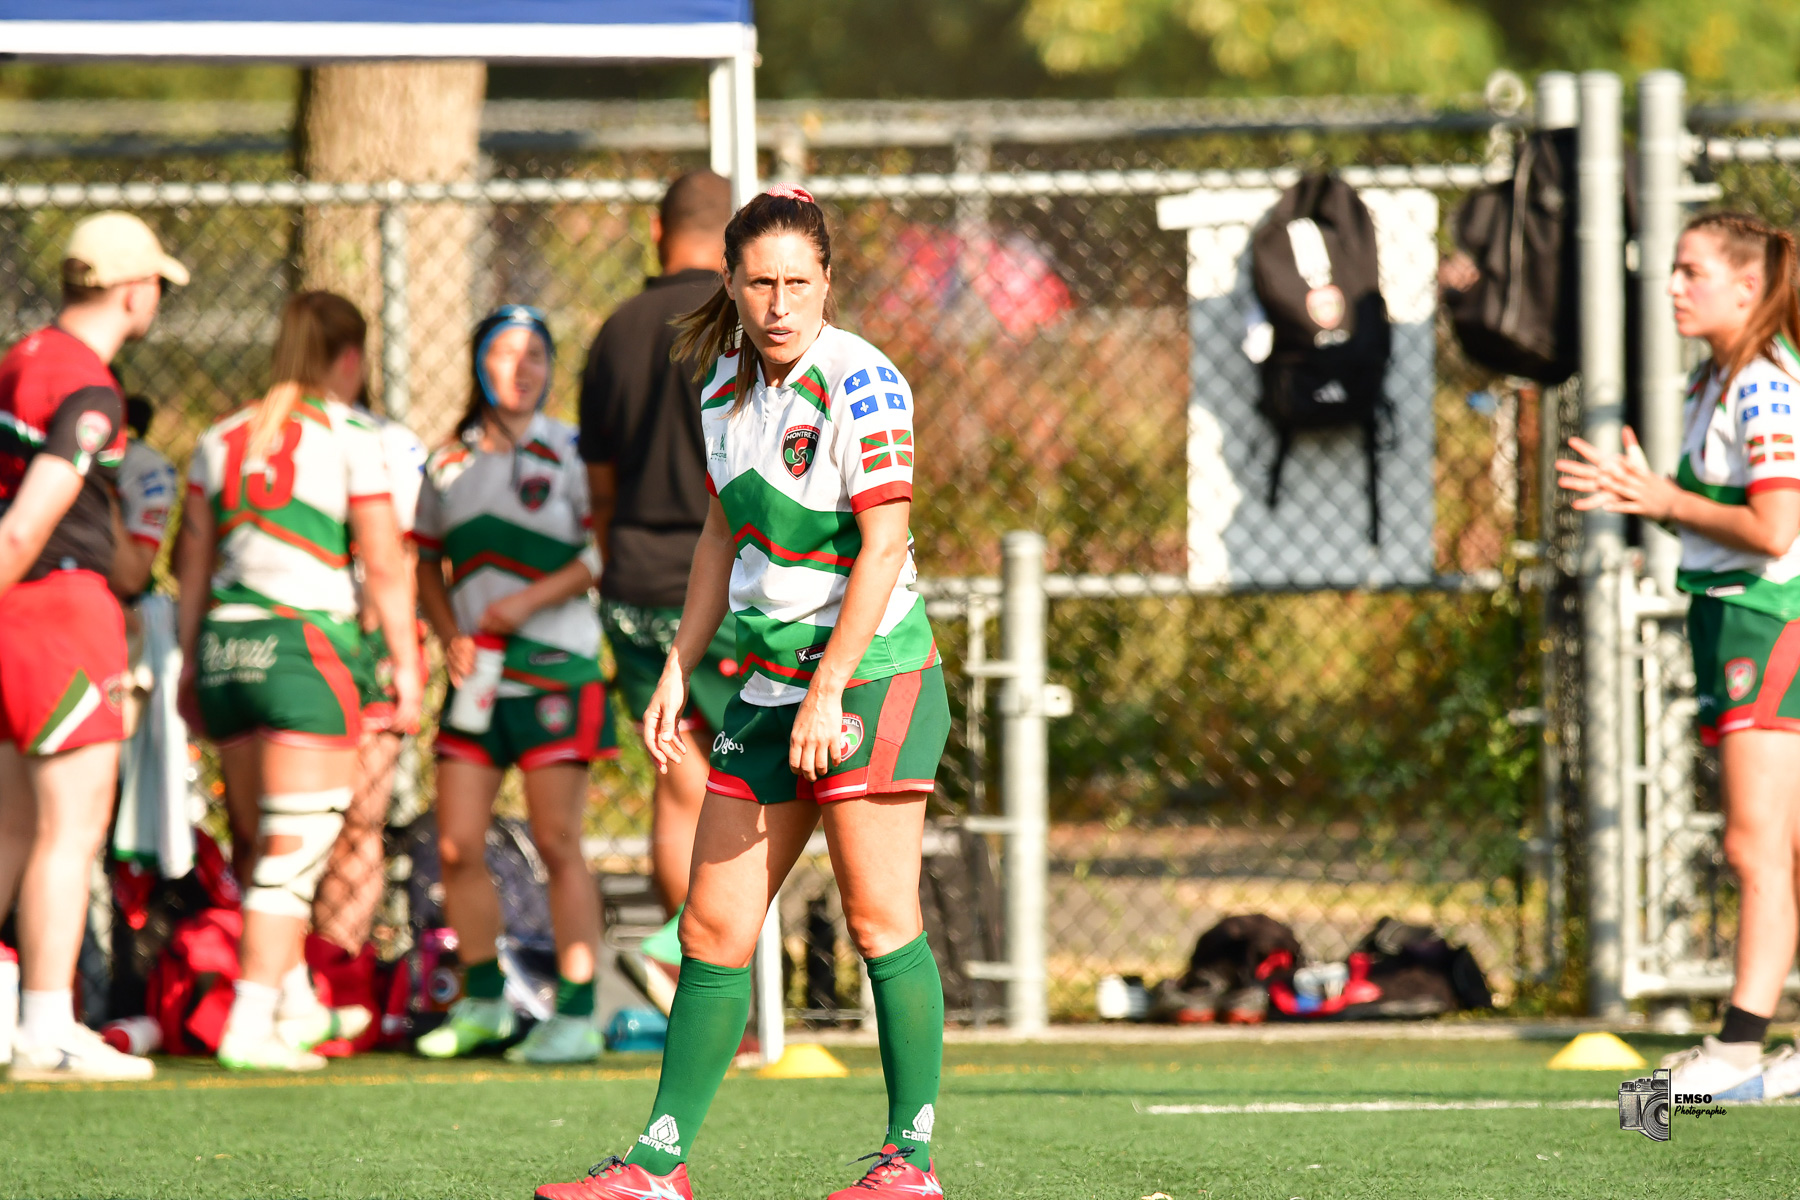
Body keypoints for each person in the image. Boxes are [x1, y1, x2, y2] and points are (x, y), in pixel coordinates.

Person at [534, 186, 950, 1200]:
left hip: (874, 675)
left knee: (876, 919)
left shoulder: (863, 382)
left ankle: (912, 1162)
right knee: (713, 928)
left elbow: (885, 543)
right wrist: (681, 661)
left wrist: (830, 688)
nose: (778, 302)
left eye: (798, 282)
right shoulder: (720, 385)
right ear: (730, 280)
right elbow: (721, 534)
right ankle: (658, 1165)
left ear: (826, 284)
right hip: (767, 683)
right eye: (760, 281)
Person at [1557, 210, 1800, 1102]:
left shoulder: (1765, 386)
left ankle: (1738, 1051)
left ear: (1748, 287)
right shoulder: (1716, 384)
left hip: (1770, 620)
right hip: (1741, 617)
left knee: (1754, 845)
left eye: (1691, 270)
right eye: (1671, 267)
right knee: (1781, 847)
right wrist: (1654, 499)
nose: (1672, 285)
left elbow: (1776, 527)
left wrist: (1660, 496)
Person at [175, 290, 421, 1071]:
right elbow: (383, 561)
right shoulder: (351, 434)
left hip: (223, 649)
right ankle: (250, 1020)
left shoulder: (217, 439)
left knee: (259, 845)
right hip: (300, 648)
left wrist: (189, 666)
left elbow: (192, 569)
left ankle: (293, 1001)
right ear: (348, 358)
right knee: (296, 845)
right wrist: (408, 669)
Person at [0, 212, 184, 1082]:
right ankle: (47, 1023)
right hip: (58, 611)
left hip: (17, 620)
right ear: (130, 289)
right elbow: (25, 527)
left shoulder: (20, 358)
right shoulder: (88, 385)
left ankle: (18, 1012)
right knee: (69, 832)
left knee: (10, 827)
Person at [413, 306, 615, 1064]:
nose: (522, 368)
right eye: (505, 353)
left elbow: (603, 554)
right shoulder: (446, 464)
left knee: (559, 842)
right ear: (478, 365)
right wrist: (450, 632)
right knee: (457, 844)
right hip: (480, 682)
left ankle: (578, 1012)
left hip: (557, 672)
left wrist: (525, 604)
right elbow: (426, 563)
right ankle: (482, 1002)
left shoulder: (573, 452)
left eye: (537, 355)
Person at [579, 169, 739, 1009]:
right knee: (740, 779)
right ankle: (708, 970)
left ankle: (682, 976)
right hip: (720, 583)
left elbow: (598, 483)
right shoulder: (735, 325)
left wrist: (612, 564)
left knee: (677, 779)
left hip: (633, 580)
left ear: (655, 229)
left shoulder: (614, 331)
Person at [311, 387, 428, 955]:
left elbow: (407, 554)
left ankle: (338, 965)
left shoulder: (391, 445)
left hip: (371, 644)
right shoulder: (265, 435)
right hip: (301, 639)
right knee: (302, 821)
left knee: (358, 818)